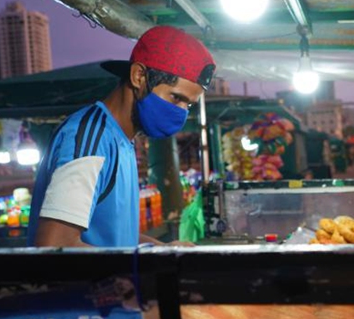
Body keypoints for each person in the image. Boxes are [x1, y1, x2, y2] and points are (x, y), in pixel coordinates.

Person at [27, 26, 215, 247]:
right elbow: (55, 245)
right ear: (138, 77)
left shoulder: (123, 140)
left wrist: (162, 249)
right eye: (176, 98)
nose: (182, 111)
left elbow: (115, 238)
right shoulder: (91, 138)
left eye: (189, 104)